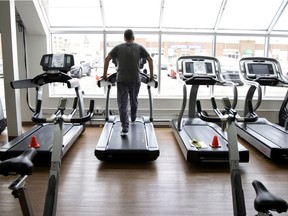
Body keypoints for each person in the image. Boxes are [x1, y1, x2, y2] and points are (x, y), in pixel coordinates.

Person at [103, 29, 154, 136]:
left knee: (122, 104)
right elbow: (150, 60)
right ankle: (133, 118)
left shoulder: (118, 47)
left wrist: (104, 75)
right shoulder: (139, 47)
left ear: (124, 38)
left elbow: (107, 59)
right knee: (134, 101)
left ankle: (125, 127)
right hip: (136, 79)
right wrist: (151, 76)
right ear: (133, 37)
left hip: (121, 79)